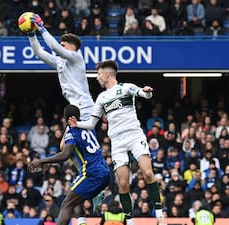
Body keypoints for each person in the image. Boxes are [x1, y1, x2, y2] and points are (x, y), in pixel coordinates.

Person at [68, 60, 164, 225]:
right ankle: (130, 221)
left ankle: (160, 215)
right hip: (117, 142)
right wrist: (78, 124)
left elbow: (143, 93)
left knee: (148, 173)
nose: (97, 77)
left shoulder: (126, 88)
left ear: (106, 74)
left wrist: (147, 92)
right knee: (123, 183)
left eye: (98, 74)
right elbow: (92, 123)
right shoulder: (102, 98)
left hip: (134, 136)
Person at [29, 104, 111, 225]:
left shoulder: (72, 132)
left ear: (66, 118)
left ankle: (95, 195)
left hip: (91, 173)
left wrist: (41, 161)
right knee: (75, 200)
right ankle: (86, 213)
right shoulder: (88, 125)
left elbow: (65, 153)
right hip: (105, 171)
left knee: (66, 203)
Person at [27, 13, 94, 121]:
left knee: (80, 136)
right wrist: (31, 34)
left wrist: (42, 29)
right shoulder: (60, 62)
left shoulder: (77, 57)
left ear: (72, 47)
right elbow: (38, 52)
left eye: (63, 45)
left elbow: (55, 47)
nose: (60, 47)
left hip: (85, 107)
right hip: (74, 107)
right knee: (70, 137)